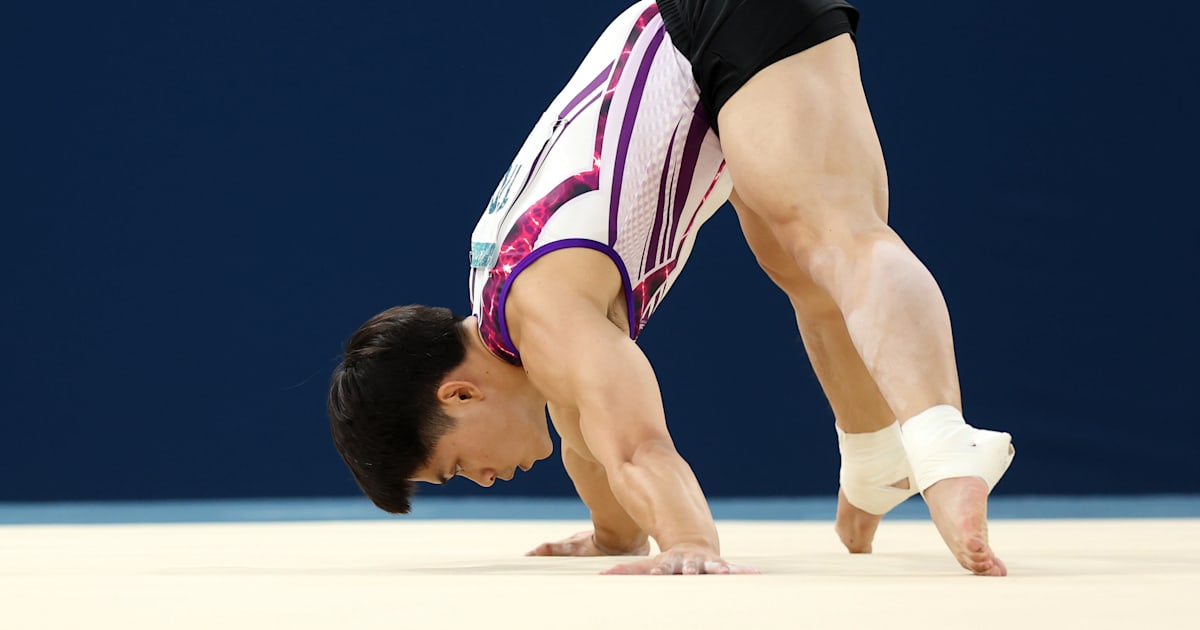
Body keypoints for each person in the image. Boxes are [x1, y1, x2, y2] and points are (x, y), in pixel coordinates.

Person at [328, 0, 1015, 576]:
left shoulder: (544, 317)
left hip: (716, 21)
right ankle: (875, 457)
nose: (479, 481)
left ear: (459, 393)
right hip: (697, 53)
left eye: (453, 469)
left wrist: (688, 544)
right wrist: (614, 535)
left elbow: (637, 450)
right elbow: (588, 445)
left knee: (838, 238)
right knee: (805, 276)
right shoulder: (511, 320)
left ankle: (944, 449)